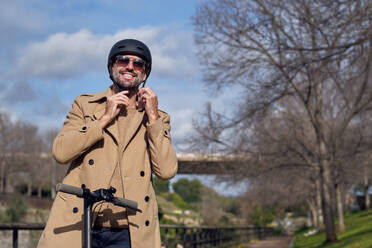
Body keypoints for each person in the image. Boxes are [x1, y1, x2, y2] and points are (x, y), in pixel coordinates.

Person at [37, 39, 178, 248]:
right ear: (112, 67)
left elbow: (166, 171)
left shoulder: (157, 118)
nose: (130, 66)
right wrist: (103, 118)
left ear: (145, 74)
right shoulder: (85, 105)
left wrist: (154, 118)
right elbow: (61, 153)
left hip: (128, 233)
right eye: (123, 60)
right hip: (79, 223)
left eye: (138, 64)